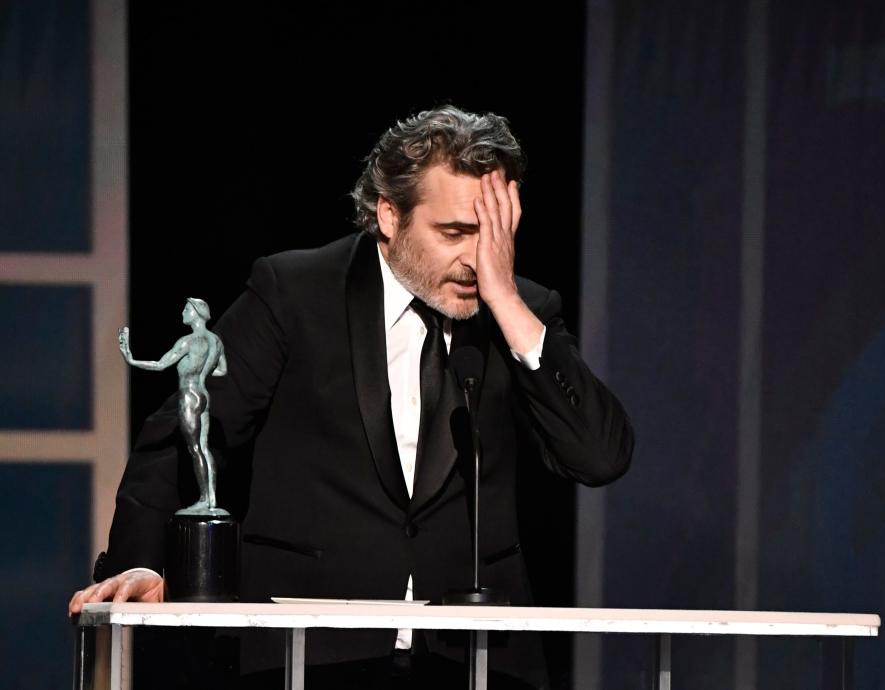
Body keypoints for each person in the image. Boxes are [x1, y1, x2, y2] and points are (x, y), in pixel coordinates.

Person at [69, 105, 633, 689]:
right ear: (389, 214)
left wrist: (509, 303)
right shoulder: (295, 292)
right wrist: (139, 558)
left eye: (491, 235)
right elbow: (188, 432)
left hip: (474, 659)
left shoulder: (521, 312)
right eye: (454, 233)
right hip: (310, 651)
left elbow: (600, 456)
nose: (475, 260)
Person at [118, 298, 228, 515]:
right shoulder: (216, 341)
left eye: (187, 309)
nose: (183, 313)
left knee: (194, 448)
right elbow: (222, 370)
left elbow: (160, 365)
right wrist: (200, 372)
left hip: (189, 394)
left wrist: (130, 359)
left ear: (196, 313)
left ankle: (204, 499)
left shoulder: (188, 341)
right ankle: (212, 500)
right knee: (203, 448)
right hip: (203, 394)